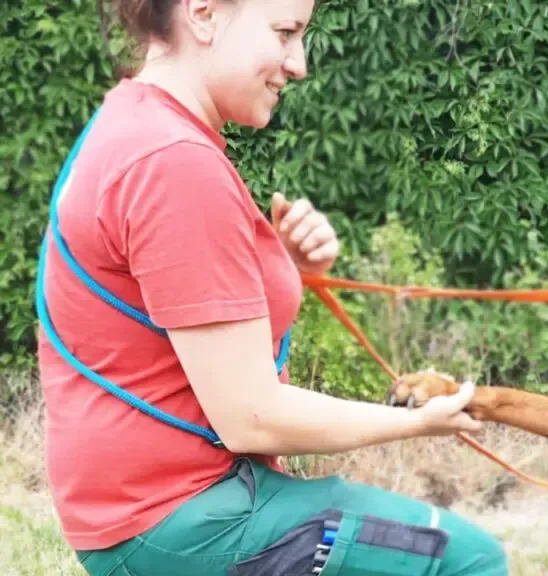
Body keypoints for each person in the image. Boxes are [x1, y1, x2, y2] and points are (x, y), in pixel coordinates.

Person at [35, 0, 509, 574]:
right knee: (465, 560)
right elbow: (251, 416)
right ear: (204, 14)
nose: (299, 63)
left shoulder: (135, 119)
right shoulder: (175, 161)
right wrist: (419, 421)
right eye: (285, 32)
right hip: (184, 519)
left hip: (142, 514)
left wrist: (280, 268)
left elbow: (163, 320)